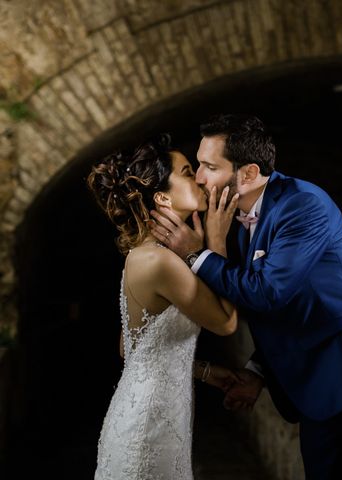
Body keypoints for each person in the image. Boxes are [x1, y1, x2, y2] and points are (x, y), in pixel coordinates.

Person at [151, 115, 342, 479]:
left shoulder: (303, 205)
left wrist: (195, 255)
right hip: (315, 389)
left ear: (247, 173)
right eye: (198, 164)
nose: (199, 177)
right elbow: (292, 310)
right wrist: (258, 372)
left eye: (210, 166)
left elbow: (268, 294)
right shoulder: (242, 217)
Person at [87, 135, 240, 480]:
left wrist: (204, 372)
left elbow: (131, 348)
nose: (199, 178)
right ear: (161, 197)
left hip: (149, 416)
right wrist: (215, 246)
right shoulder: (159, 261)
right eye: (187, 172)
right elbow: (227, 323)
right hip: (149, 428)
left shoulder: (146, 255)